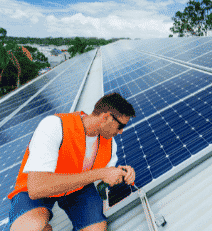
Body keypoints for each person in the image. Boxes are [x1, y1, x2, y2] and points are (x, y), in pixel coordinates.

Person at [7, 93, 136, 231]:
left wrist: (121, 174)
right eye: (120, 126)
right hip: (37, 188)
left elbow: (105, 178)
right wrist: (100, 173)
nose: (121, 131)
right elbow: (36, 188)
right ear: (105, 117)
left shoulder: (110, 145)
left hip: (78, 189)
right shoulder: (54, 126)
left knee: (96, 229)